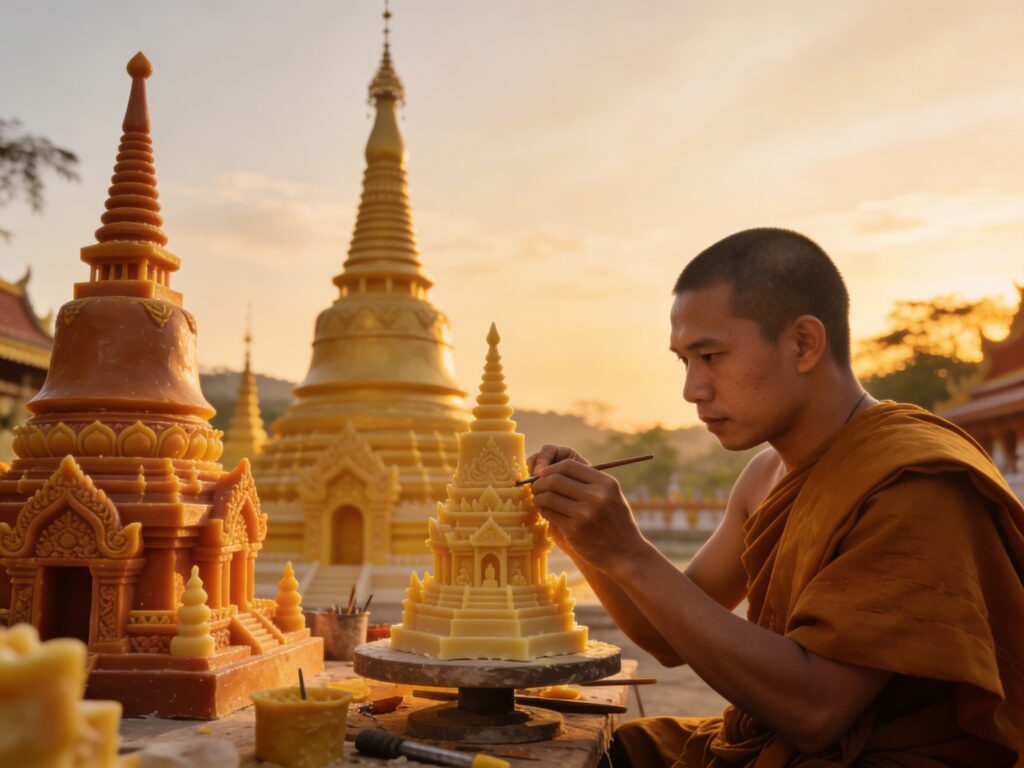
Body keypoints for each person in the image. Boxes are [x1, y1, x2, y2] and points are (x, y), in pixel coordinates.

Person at [528, 228, 1024, 766]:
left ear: (804, 344)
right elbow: (666, 637)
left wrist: (628, 551)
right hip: (772, 744)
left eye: (711, 355)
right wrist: (583, 534)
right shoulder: (766, 473)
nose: (693, 389)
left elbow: (815, 714)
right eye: (685, 362)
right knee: (606, 748)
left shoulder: (912, 483)